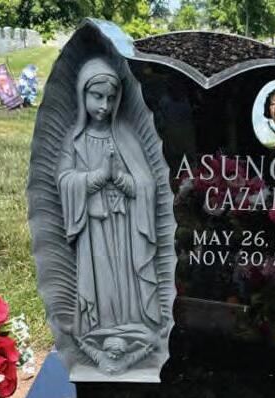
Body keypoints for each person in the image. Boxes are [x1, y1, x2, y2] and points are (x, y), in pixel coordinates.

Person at [57, 58, 163, 373]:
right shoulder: (74, 141)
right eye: (97, 96)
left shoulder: (125, 137)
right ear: (83, 96)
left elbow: (145, 185)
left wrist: (118, 177)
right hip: (93, 230)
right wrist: (97, 176)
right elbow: (64, 180)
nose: (104, 105)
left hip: (126, 227)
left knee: (125, 280)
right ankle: (99, 332)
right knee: (101, 280)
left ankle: (131, 330)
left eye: (111, 98)